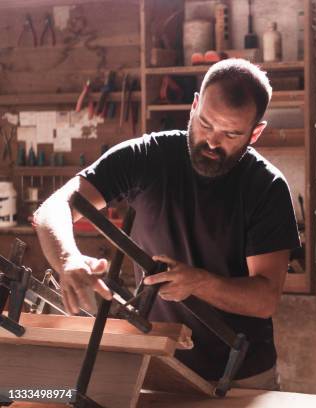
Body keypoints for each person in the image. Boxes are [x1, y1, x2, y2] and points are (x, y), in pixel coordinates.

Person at [33, 58, 301, 390]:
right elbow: (55, 206)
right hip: (156, 364)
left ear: (255, 132)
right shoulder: (148, 156)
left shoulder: (266, 187)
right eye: (205, 124)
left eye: (231, 133)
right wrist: (67, 259)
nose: (213, 142)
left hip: (241, 377)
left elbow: (265, 299)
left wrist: (198, 282)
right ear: (194, 106)